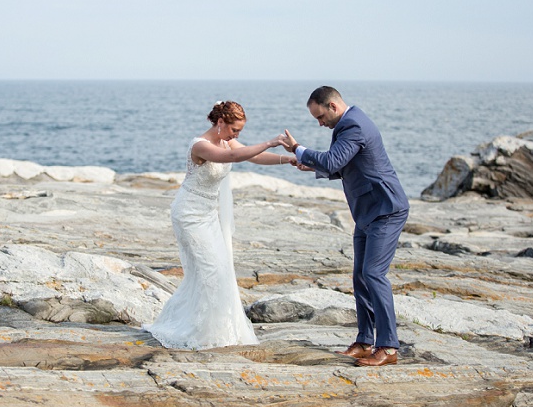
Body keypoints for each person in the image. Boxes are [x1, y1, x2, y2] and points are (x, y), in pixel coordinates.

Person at [143, 101, 296, 350]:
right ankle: (203, 333)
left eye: (239, 132)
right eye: (234, 130)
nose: (236, 136)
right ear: (220, 122)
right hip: (189, 214)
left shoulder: (226, 141)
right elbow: (233, 156)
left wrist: (286, 160)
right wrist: (269, 141)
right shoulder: (200, 145)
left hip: (209, 215)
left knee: (220, 270)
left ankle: (215, 328)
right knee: (211, 270)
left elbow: (252, 156)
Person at [282, 86, 409, 367]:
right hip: (367, 212)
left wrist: (298, 150)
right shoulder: (349, 123)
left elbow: (333, 160)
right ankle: (365, 341)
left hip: (386, 210)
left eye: (320, 116)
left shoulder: (353, 125)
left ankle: (388, 347)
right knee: (360, 277)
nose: (320, 123)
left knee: (374, 274)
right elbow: (342, 166)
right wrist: (311, 166)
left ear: (333, 107)